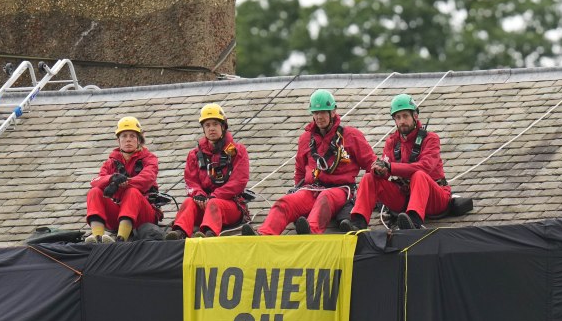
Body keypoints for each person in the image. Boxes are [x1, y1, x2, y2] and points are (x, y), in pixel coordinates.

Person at [243, 89, 375, 235]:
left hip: (341, 190)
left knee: (325, 198)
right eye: (316, 113)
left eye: (323, 112)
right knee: (285, 202)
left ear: (333, 112)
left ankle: (310, 232)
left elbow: (371, 164)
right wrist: (297, 193)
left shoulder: (351, 135)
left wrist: (368, 197)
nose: (319, 117)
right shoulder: (305, 139)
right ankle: (263, 235)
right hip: (312, 188)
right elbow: (300, 171)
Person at [340, 94, 451, 231]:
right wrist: (378, 170)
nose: (402, 121)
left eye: (405, 116)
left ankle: (414, 222)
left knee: (419, 175)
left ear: (415, 116)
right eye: (398, 118)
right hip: (405, 197)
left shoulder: (430, 139)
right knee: (369, 177)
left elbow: (425, 167)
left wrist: (390, 167)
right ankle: (358, 222)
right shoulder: (392, 142)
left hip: (435, 198)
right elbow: (385, 174)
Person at [165, 103, 251, 239]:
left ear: (223, 126)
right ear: (203, 129)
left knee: (214, 203)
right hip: (204, 204)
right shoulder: (194, 155)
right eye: (207, 125)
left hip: (230, 206)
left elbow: (238, 182)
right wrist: (198, 194)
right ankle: (179, 232)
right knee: (188, 202)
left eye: (215, 124)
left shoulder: (237, 151)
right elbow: (191, 181)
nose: (211, 128)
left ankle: (208, 233)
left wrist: (214, 196)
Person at [85, 116, 160, 243]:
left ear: (139, 140)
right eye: (124, 136)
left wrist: (122, 183)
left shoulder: (149, 159)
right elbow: (95, 181)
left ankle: (121, 239)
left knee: (132, 192)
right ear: (118, 140)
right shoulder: (110, 162)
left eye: (132, 136)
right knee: (94, 192)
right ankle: (98, 237)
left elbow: (147, 178)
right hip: (118, 213)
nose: (128, 140)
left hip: (144, 215)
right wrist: (112, 178)